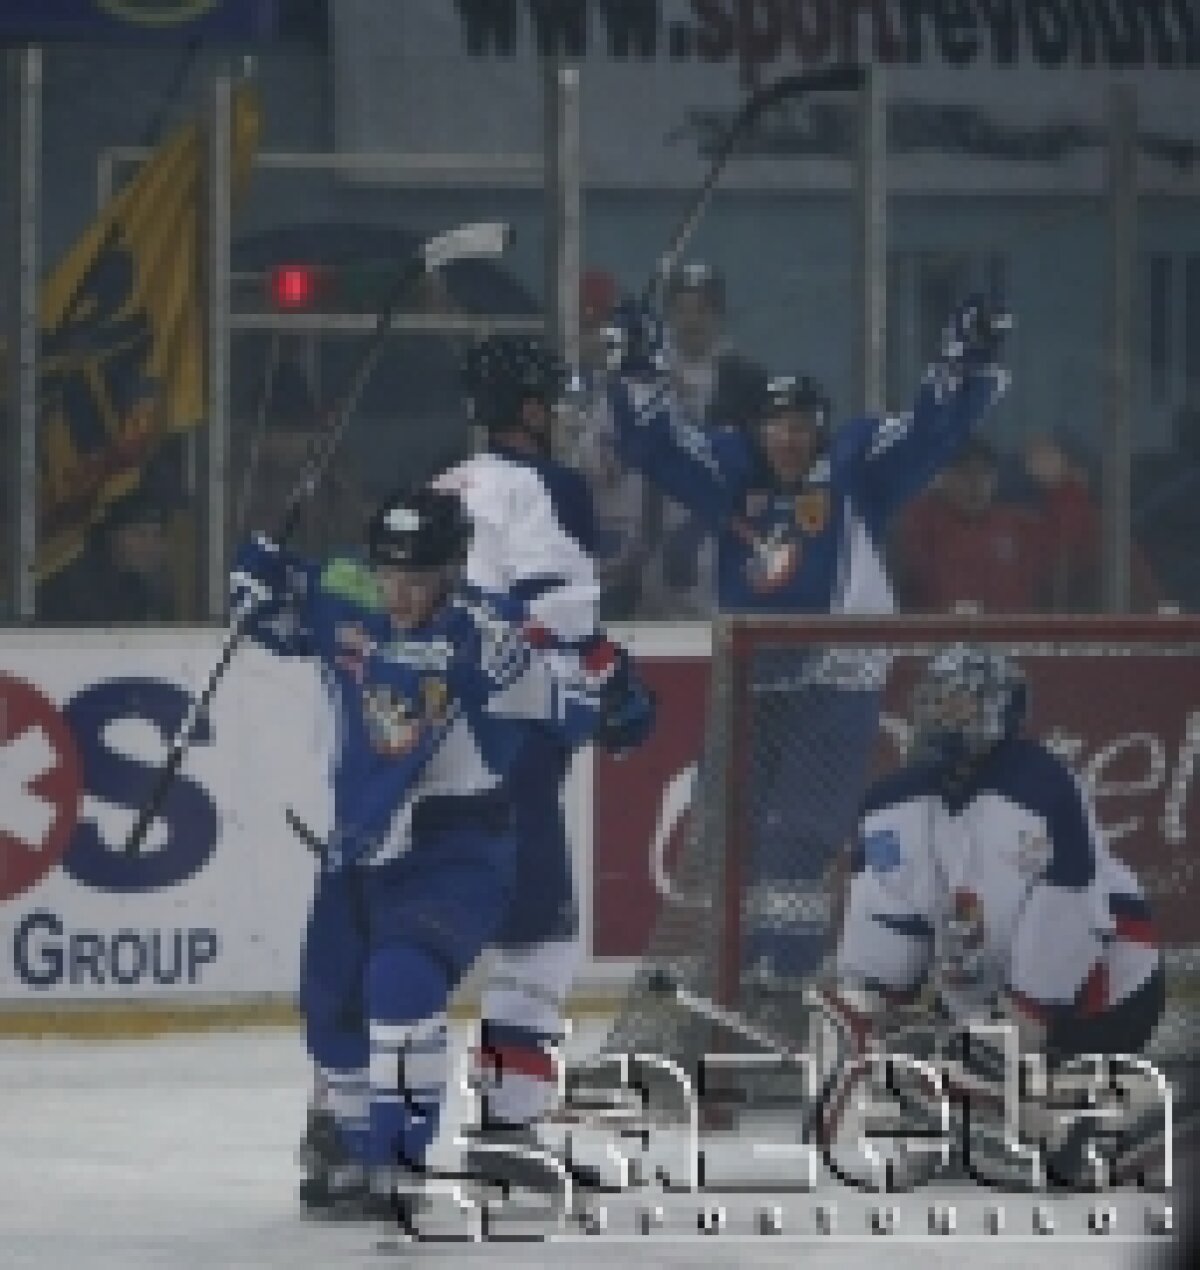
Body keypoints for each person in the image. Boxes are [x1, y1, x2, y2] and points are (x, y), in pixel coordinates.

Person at [231, 486, 650, 1218]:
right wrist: (251, 578)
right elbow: (273, 610)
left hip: (457, 849)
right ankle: (358, 1150)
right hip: (357, 852)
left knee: (403, 981)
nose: (399, 595)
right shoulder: (346, 591)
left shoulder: (490, 637)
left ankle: (398, 1160)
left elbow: (575, 707)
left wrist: (602, 691)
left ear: (454, 569)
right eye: (388, 575)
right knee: (332, 1009)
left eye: (419, 580)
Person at [608, 295, 1009, 1029]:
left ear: (820, 429)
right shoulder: (732, 472)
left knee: (799, 836)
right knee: (729, 833)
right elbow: (654, 447)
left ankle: (779, 989)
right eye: (776, 425)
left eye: (800, 426)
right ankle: (736, 980)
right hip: (756, 680)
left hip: (836, 676)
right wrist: (638, 368)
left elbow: (930, 433)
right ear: (757, 429)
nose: (788, 439)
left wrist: (966, 361)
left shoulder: (855, 472)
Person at [823, 644, 1166, 1184]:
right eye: (932, 704)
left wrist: (1019, 1024)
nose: (939, 719)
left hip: (1104, 996)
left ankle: (1112, 1108)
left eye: (957, 706)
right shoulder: (892, 803)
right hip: (989, 1002)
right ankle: (1010, 1104)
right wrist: (866, 1011)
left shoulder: (1040, 787)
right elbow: (887, 919)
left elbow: (1071, 911)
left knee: (989, 1094)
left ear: (999, 712)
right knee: (922, 1086)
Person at [638, 261, 768, 619]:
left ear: (719, 314)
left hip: (720, 536)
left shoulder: (744, 376)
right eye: (681, 309)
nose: (692, 320)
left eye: (702, 309)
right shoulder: (648, 377)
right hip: (657, 533)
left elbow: (757, 462)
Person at [560, 268, 649, 619]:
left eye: (604, 326)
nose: (596, 337)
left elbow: (608, 468)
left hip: (626, 562)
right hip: (569, 560)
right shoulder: (563, 389)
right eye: (588, 327)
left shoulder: (637, 392)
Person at [893, 436, 1050, 613]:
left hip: (1011, 635)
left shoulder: (1018, 526)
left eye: (985, 473)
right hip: (940, 635)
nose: (976, 483)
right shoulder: (920, 524)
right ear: (943, 477)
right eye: (964, 473)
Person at [38, 482, 177, 623]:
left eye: (157, 535)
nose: (152, 546)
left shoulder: (142, 585)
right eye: (139, 534)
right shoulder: (72, 588)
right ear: (112, 536)